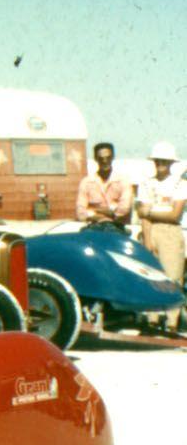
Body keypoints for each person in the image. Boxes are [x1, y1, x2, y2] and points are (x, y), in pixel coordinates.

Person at [136, 141, 185, 332]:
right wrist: (147, 239)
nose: (160, 164)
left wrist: (149, 212)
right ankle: (152, 319)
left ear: (171, 163)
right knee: (151, 275)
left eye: (164, 161)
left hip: (170, 231)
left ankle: (172, 321)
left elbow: (174, 215)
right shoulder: (147, 183)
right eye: (157, 160)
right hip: (150, 230)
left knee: (173, 276)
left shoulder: (180, 184)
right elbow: (142, 214)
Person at [76, 142, 132, 232]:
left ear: (113, 157)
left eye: (108, 158)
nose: (104, 161)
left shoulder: (123, 181)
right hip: (93, 228)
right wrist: (109, 212)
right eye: (101, 158)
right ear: (95, 159)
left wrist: (95, 211)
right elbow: (80, 212)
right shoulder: (86, 182)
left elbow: (124, 209)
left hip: (118, 229)